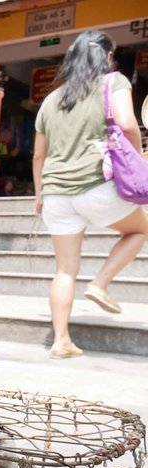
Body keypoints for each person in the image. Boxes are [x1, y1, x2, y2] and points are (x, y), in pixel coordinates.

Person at [33, 30, 148, 359]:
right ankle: (100, 283)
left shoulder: (51, 100)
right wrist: (138, 159)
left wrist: (40, 194)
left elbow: (39, 156)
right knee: (140, 229)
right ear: (106, 57)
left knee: (64, 269)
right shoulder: (114, 82)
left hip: (55, 193)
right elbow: (127, 124)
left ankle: (61, 341)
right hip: (95, 185)